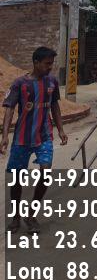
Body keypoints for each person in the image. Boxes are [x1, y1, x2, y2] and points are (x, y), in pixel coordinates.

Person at [1, 46, 68, 234]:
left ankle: (31, 215)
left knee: (45, 174)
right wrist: (5, 136)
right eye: (47, 63)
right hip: (22, 139)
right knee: (17, 180)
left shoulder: (52, 82)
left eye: (51, 63)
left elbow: (54, 106)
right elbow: (9, 109)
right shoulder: (20, 84)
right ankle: (16, 217)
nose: (50, 67)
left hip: (44, 136)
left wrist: (61, 129)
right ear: (36, 63)